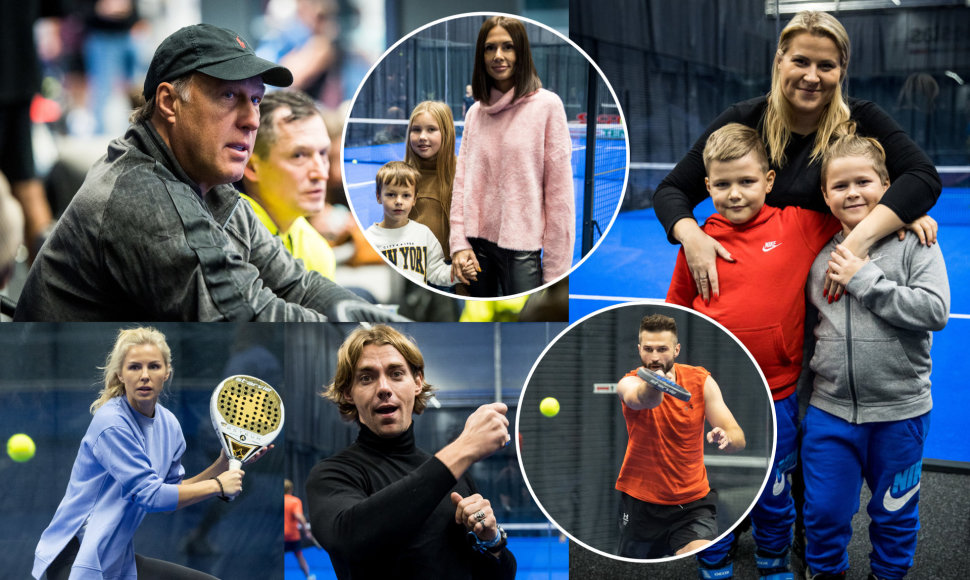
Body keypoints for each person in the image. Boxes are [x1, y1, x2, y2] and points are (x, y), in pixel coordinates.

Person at [14, 23, 403, 322]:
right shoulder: (141, 193)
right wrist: (365, 336)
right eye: (229, 96)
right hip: (70, 407)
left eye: (255, 99)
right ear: (169, 102)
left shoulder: (211, 185)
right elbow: (244, 316)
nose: (252, 120)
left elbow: (293, 283)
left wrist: (376, 323)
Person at [653, 10, 940, 304]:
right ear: (780, 61)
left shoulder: (864, 118)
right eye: (800, 61)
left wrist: (878, 224)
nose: (812, 77)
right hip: (767, 295)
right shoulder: (743, 120)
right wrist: (692, 237)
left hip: (833, 294)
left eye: (826, 66)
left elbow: (922, 177)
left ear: (842, 70)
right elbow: (671, 190)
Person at [666, 123, 841, 579]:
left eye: (747, 181)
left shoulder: (798, 226)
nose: (735, 193)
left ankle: (773, 559)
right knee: (715, 483)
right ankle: (714, 555)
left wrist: (909, 214)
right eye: (722, 184)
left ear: (769, 181)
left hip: (778, 393)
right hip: (713, 398)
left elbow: (854, 213)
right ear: (707, 187)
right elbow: (674, 315)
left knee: (775, 486)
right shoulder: (696, 244)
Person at [801, 133, 949, 580]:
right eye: (840, 186)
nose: (852, 193)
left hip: (900, 412)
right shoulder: (818, 259)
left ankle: (888, 574)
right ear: (825, 195)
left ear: (887, 185)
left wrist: (865, 277)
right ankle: (826, 572)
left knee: (895, 512)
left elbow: (934, 310)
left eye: (863, 182)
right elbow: (810, 335)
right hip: (829, 412)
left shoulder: (915, 242)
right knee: (823, 512)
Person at [32, 327, 257, 580]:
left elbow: (170, 495)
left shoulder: (169, 425)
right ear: (120, 374)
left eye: (153, 366)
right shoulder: (112, 423)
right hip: (75, 559)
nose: (144, 376)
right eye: (134, 367)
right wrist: (217, 485)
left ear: (167, 373)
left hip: (116, 560)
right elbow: (151, 496)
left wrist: (222, 464)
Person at [306, 324, 516, 579]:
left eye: (396, 374)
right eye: (366, 378)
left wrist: (491, 540)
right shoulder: (333, 474)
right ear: (349, 393)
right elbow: (347, 540)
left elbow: (498, 576)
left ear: (417, 383)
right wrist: (464, 447)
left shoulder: (456, 476)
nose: (383, 388)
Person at [450, 15, 575, 297]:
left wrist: (556, 274)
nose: (498, 56)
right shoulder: (474, 114)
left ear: (521, 52)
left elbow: (560, 198)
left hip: (522, 252)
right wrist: (459, 243)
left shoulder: (547, 106)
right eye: (489, 48)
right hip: (475, 249)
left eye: (508, 47)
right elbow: (462, 184)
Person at [615, 313, 746, 559]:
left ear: (676, 349)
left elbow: (738, 437)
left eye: (662, 349)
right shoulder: (628, 382)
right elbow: (642, 398)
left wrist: (726, 439)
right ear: (639, 349)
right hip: (641, 502)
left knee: (699, 552)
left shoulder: (701, 381)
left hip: (693, 502)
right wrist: (655, 384)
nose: (654, 357)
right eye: (648, 349)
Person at [240, 89, 337, 280]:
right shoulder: (227, 235)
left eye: (323, 153)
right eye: (299, 155)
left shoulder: (318, 250)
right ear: (251, 167)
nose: (321, 173)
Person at [365, 161, 457, 288]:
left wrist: (457, 273)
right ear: (378, 196)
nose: (398, 201)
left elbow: (436, 272)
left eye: (406, 195)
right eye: (391, 194)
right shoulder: (369, 238)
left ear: (414, 199)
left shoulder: (423, 234)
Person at [404, 100, 457, 258]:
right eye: (416, 130)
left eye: (431, 129)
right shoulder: (401, 176)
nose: (422, 137)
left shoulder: (463, 174)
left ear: (446, 132)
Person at [284, 479, 316, 580]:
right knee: (299, 556)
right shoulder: (295, 501)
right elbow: (299, 516)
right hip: (292, 536)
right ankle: (308, 577)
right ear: (290, 489)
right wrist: (306, 532)